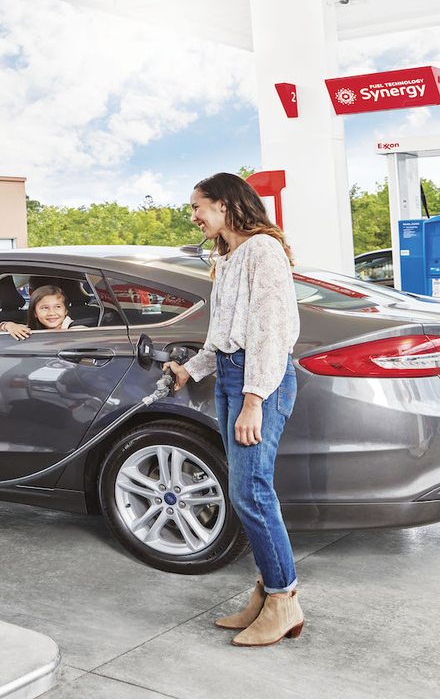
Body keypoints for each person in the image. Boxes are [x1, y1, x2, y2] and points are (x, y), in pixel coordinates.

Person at [165, 172, 304, 647]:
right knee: (244, 490)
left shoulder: (262, 251)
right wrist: (190, 371)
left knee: (252, 493)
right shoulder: (227, 257)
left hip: (258, 382)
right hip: (231, 376)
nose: (193, 216)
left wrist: (254, 399)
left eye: (197, 206)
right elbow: (222, 336)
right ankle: (266, 593)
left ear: (224, 205)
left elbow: (269, 332)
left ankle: (283, 599)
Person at [0, 284, 85, 340]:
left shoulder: (78, 331)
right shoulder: (30, 331)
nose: (51, 313)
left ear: (65, 311)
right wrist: (9, 325)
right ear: (35, 313)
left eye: (57, 307)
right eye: (45, 308)